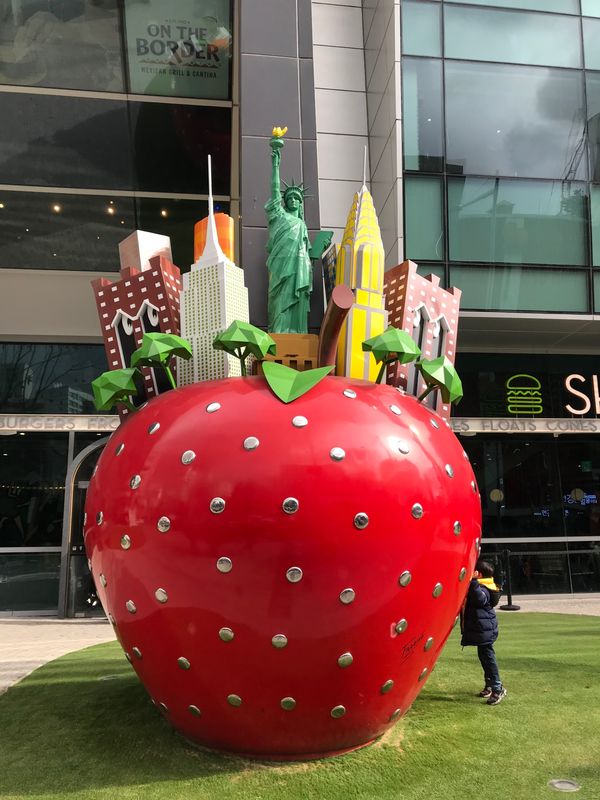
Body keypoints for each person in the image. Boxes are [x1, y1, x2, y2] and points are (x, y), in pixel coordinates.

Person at [264, 132, 312, 334]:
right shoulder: (279, 216)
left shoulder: (302, 225)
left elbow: (307, 252)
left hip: (299, 267)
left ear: (301, 204)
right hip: (281, 266)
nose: (293, 200)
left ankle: (296, 332)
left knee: (297, 300)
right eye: (290, 197)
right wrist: (276, 165)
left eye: (296, 198)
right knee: (278, 303)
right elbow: (275, 190)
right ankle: (279, 332)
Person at [461, 558, 507, 705]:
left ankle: (498, 688)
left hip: (485, 629)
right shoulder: (486, 585)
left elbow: (480, 599)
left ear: (478, 574)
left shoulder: (484, 588)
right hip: (484, 628)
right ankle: (489, 685)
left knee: (488, 658)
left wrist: (473, 582)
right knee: (484, 657)